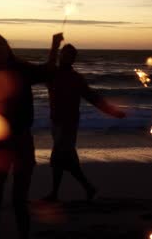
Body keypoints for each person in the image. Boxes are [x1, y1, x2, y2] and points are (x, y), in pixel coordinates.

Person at [0, 33, 62, 239]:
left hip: (23, 140)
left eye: (1, 46)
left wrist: (54, 46)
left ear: (7, 48)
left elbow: (48, 71)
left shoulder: (22, 70)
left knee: (19, 199)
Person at [42, 44, 126, 202]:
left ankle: (58, 193)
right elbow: (47, 66)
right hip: (56, 122)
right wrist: (54, 45)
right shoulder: (52, 74)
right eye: (64, 54)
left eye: (70, 56)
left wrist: (113, 112)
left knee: (58, 159)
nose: (66, 58)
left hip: (68, 124)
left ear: (73, 59)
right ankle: (86, 188)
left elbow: (92, 97)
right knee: (65, 159)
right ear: (60, 56)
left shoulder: (76, 79)